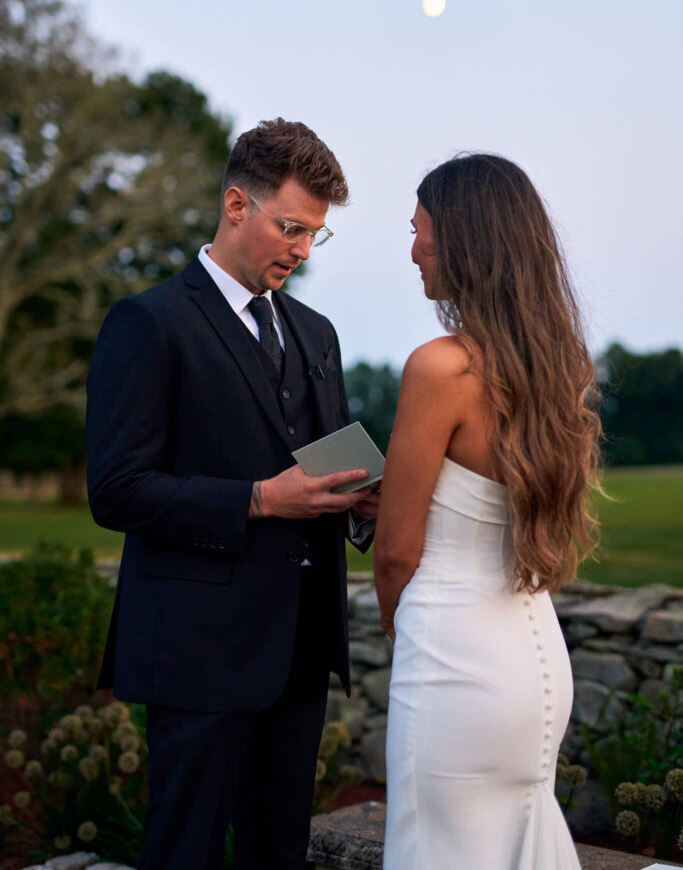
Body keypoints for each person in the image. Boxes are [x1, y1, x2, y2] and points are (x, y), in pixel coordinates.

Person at [86, 118, 378, 870]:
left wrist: (360, 504)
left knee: (277, 853)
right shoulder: (147, 324)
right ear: (236, 205)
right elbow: (117, 491)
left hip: (300, 649)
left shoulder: (316, 334)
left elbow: (320, 462)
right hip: (195, 653)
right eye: (291, 228)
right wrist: (254, 500)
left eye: (316, 235)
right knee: (184, 851)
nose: (302, 251)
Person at [374, 154, 601, 869]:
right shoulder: (553, 366)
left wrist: (394, 621)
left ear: (465, 240)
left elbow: (395, 553)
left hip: (452, 664)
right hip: (533, 661)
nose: (411, 250)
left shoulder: (440, 367)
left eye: (420, 232)